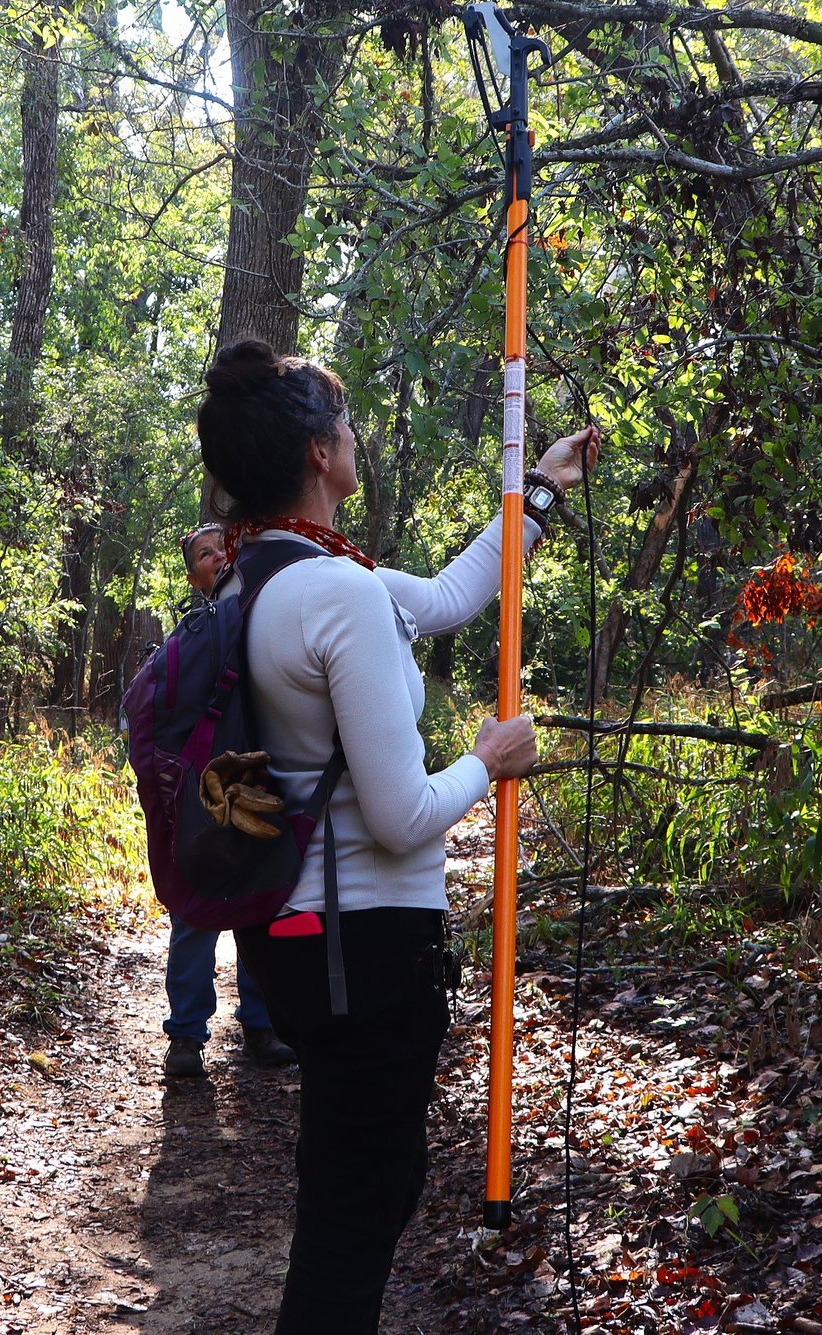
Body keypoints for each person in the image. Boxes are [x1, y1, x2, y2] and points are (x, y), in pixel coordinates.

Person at [197, 337, 597, 1335]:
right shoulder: (332, 593)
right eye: (340, 421)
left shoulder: (269, 581)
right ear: (316, 459)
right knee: (355, 1218)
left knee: (357, 1197)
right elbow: (404, 815)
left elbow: (454, 598)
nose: (352, 433)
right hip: (363, 950)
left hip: (302, 941)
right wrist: (488, 761)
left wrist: (537, 490)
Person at [163, 521, 298, 1078]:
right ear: (194, 576)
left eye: (224, 546)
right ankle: (187, 1039)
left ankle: (261, 1027)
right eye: (203, 553)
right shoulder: (193, 632)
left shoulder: (272, 610)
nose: (218, 556)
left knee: (260, 906)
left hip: (264, 781)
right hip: (205, 788)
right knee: (196, 912)